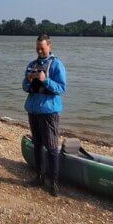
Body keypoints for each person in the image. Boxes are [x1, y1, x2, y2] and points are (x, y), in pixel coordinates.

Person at [22, 34, 67, 195]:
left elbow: (62, 88)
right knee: (37, 145)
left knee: (52, 148)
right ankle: (39, 176)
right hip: (33, 111)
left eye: (42, 48)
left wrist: (45, 79)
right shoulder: (32, 64)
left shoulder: (56, 65)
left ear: (49, 46)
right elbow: (25, 87)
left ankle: (54, 183)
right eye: (37, 48)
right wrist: (28, 79)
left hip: (49, 112)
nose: (39, 51)